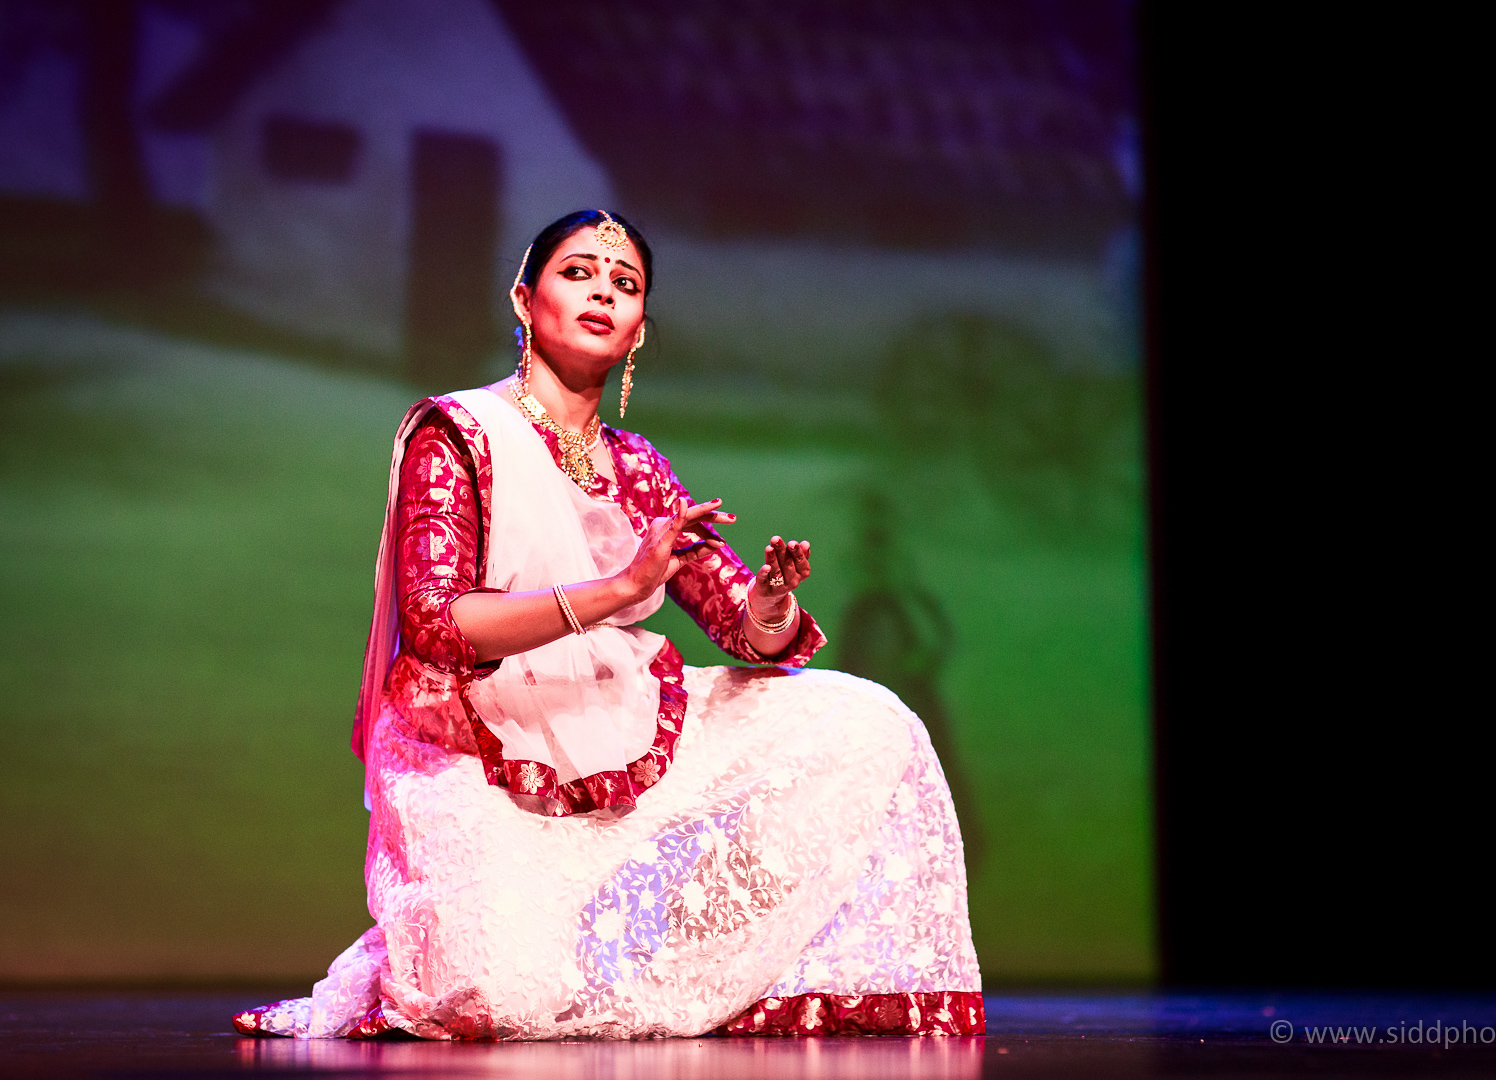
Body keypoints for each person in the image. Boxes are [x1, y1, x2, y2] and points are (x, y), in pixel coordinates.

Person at [232, 210, 982, 1040]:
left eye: (625, 286)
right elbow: (440, 623)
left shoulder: (638, 467)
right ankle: (401, 967)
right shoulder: (458, 436)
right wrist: (617, 586)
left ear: (638, 332)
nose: (603, 292)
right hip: (473, 742)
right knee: (495, 1002)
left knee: (865, 721)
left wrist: (768, 605)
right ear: (524, 299)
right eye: (579, 273)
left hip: (613, 721)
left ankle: (711, 984)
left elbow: (742, 631)